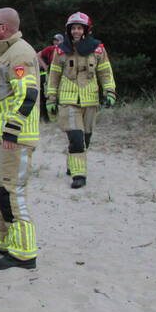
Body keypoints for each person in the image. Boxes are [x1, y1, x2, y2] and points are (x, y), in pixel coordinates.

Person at [0, 8, 40, 270]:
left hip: (13, 138)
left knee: (11, 192)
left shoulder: (20, 53)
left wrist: (12, 130)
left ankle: (24, 252)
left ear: (3, 27)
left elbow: (27, 93)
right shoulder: (1, 54)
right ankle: (4, 239)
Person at [45, 12, 117, 189]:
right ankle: (79, 175)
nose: (76, 31)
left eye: (79, 28)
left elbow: (105, 72)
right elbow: (53, 75)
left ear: (86, 30)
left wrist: (110, 92)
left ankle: (73, 161)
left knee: (86, 138)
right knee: (76, 137)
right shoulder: (60, 50)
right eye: (73, 28)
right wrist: (51, 98)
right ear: (68, 30)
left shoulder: (98, 48)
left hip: (90, 99)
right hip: (68, 99)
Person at [37, 34, 63, 120]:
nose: (56, 42)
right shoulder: (50, 49)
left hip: (63, 74)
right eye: (54, 40)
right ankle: (49, 118)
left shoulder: (66, 49)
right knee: (49, 94)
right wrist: (45, 66)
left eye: (58, 40)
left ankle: (60, 116)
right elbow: (38, 55)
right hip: (51, 74)